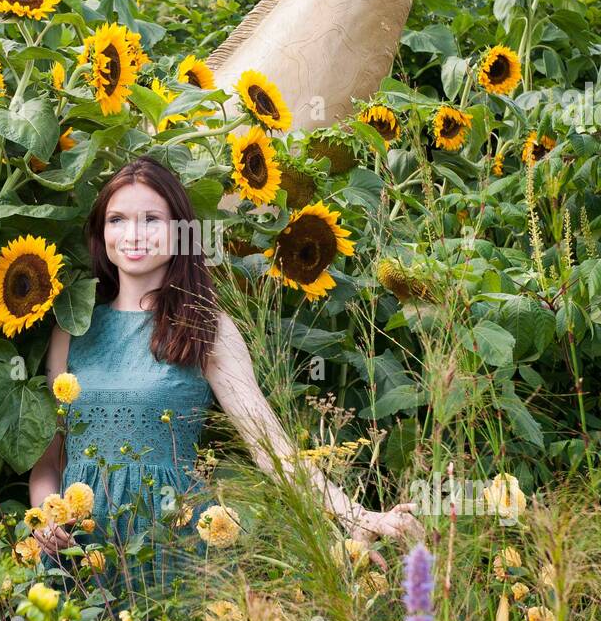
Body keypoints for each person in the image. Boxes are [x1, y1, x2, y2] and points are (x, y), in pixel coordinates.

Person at [28, 155, 420, 587]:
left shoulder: (204, 326)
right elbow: (51, 454)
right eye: (117, 219)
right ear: (101, 233)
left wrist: (355, 514)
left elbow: (270, 446)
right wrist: (44, 515)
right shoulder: (72, 326)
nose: (132, 235)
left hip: (167, 542)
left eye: (151, 219)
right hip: (76, 548)